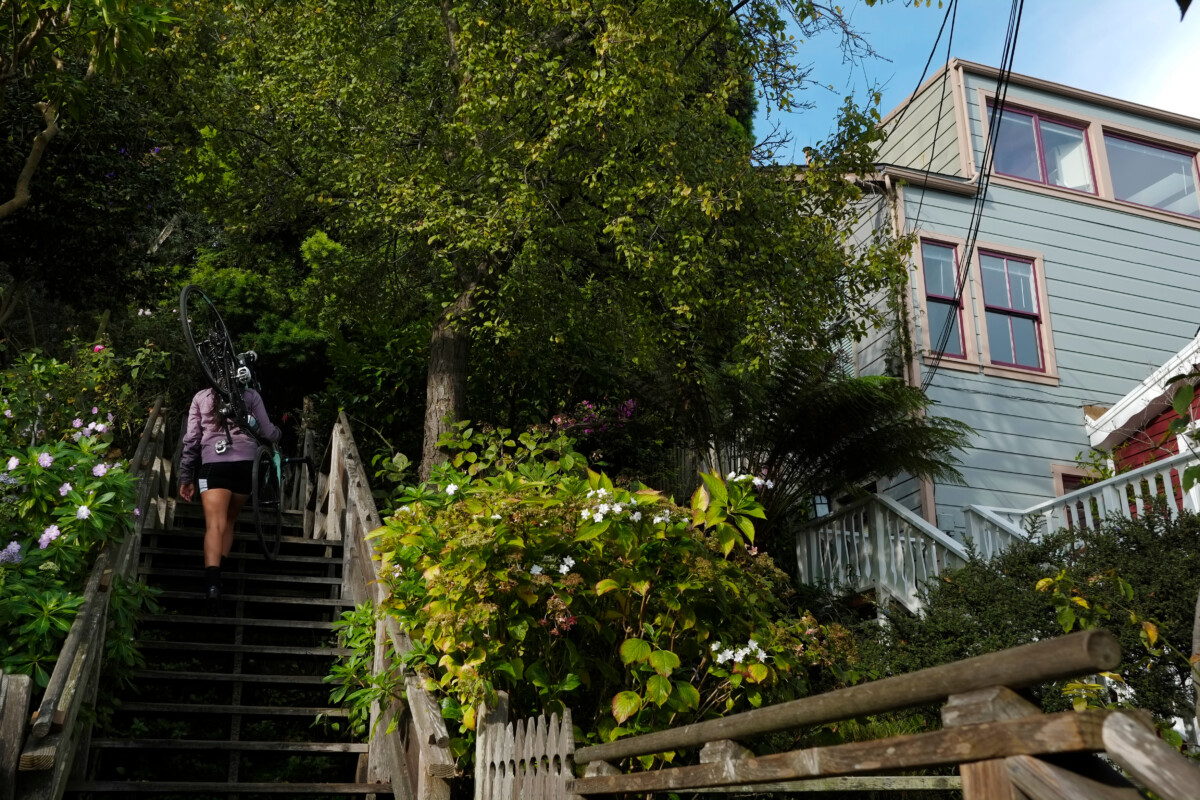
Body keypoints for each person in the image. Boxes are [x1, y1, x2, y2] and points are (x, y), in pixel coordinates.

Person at [178, 381, 281, 613]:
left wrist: (186, 476)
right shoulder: (250, 395)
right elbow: (267, 432)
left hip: (214, 466)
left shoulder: (201, 397)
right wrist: (278, 433)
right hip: (246, 468)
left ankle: (213, 585)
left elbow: (192, 440)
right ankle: (220, 574)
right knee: (230, 520)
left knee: (215, 525)